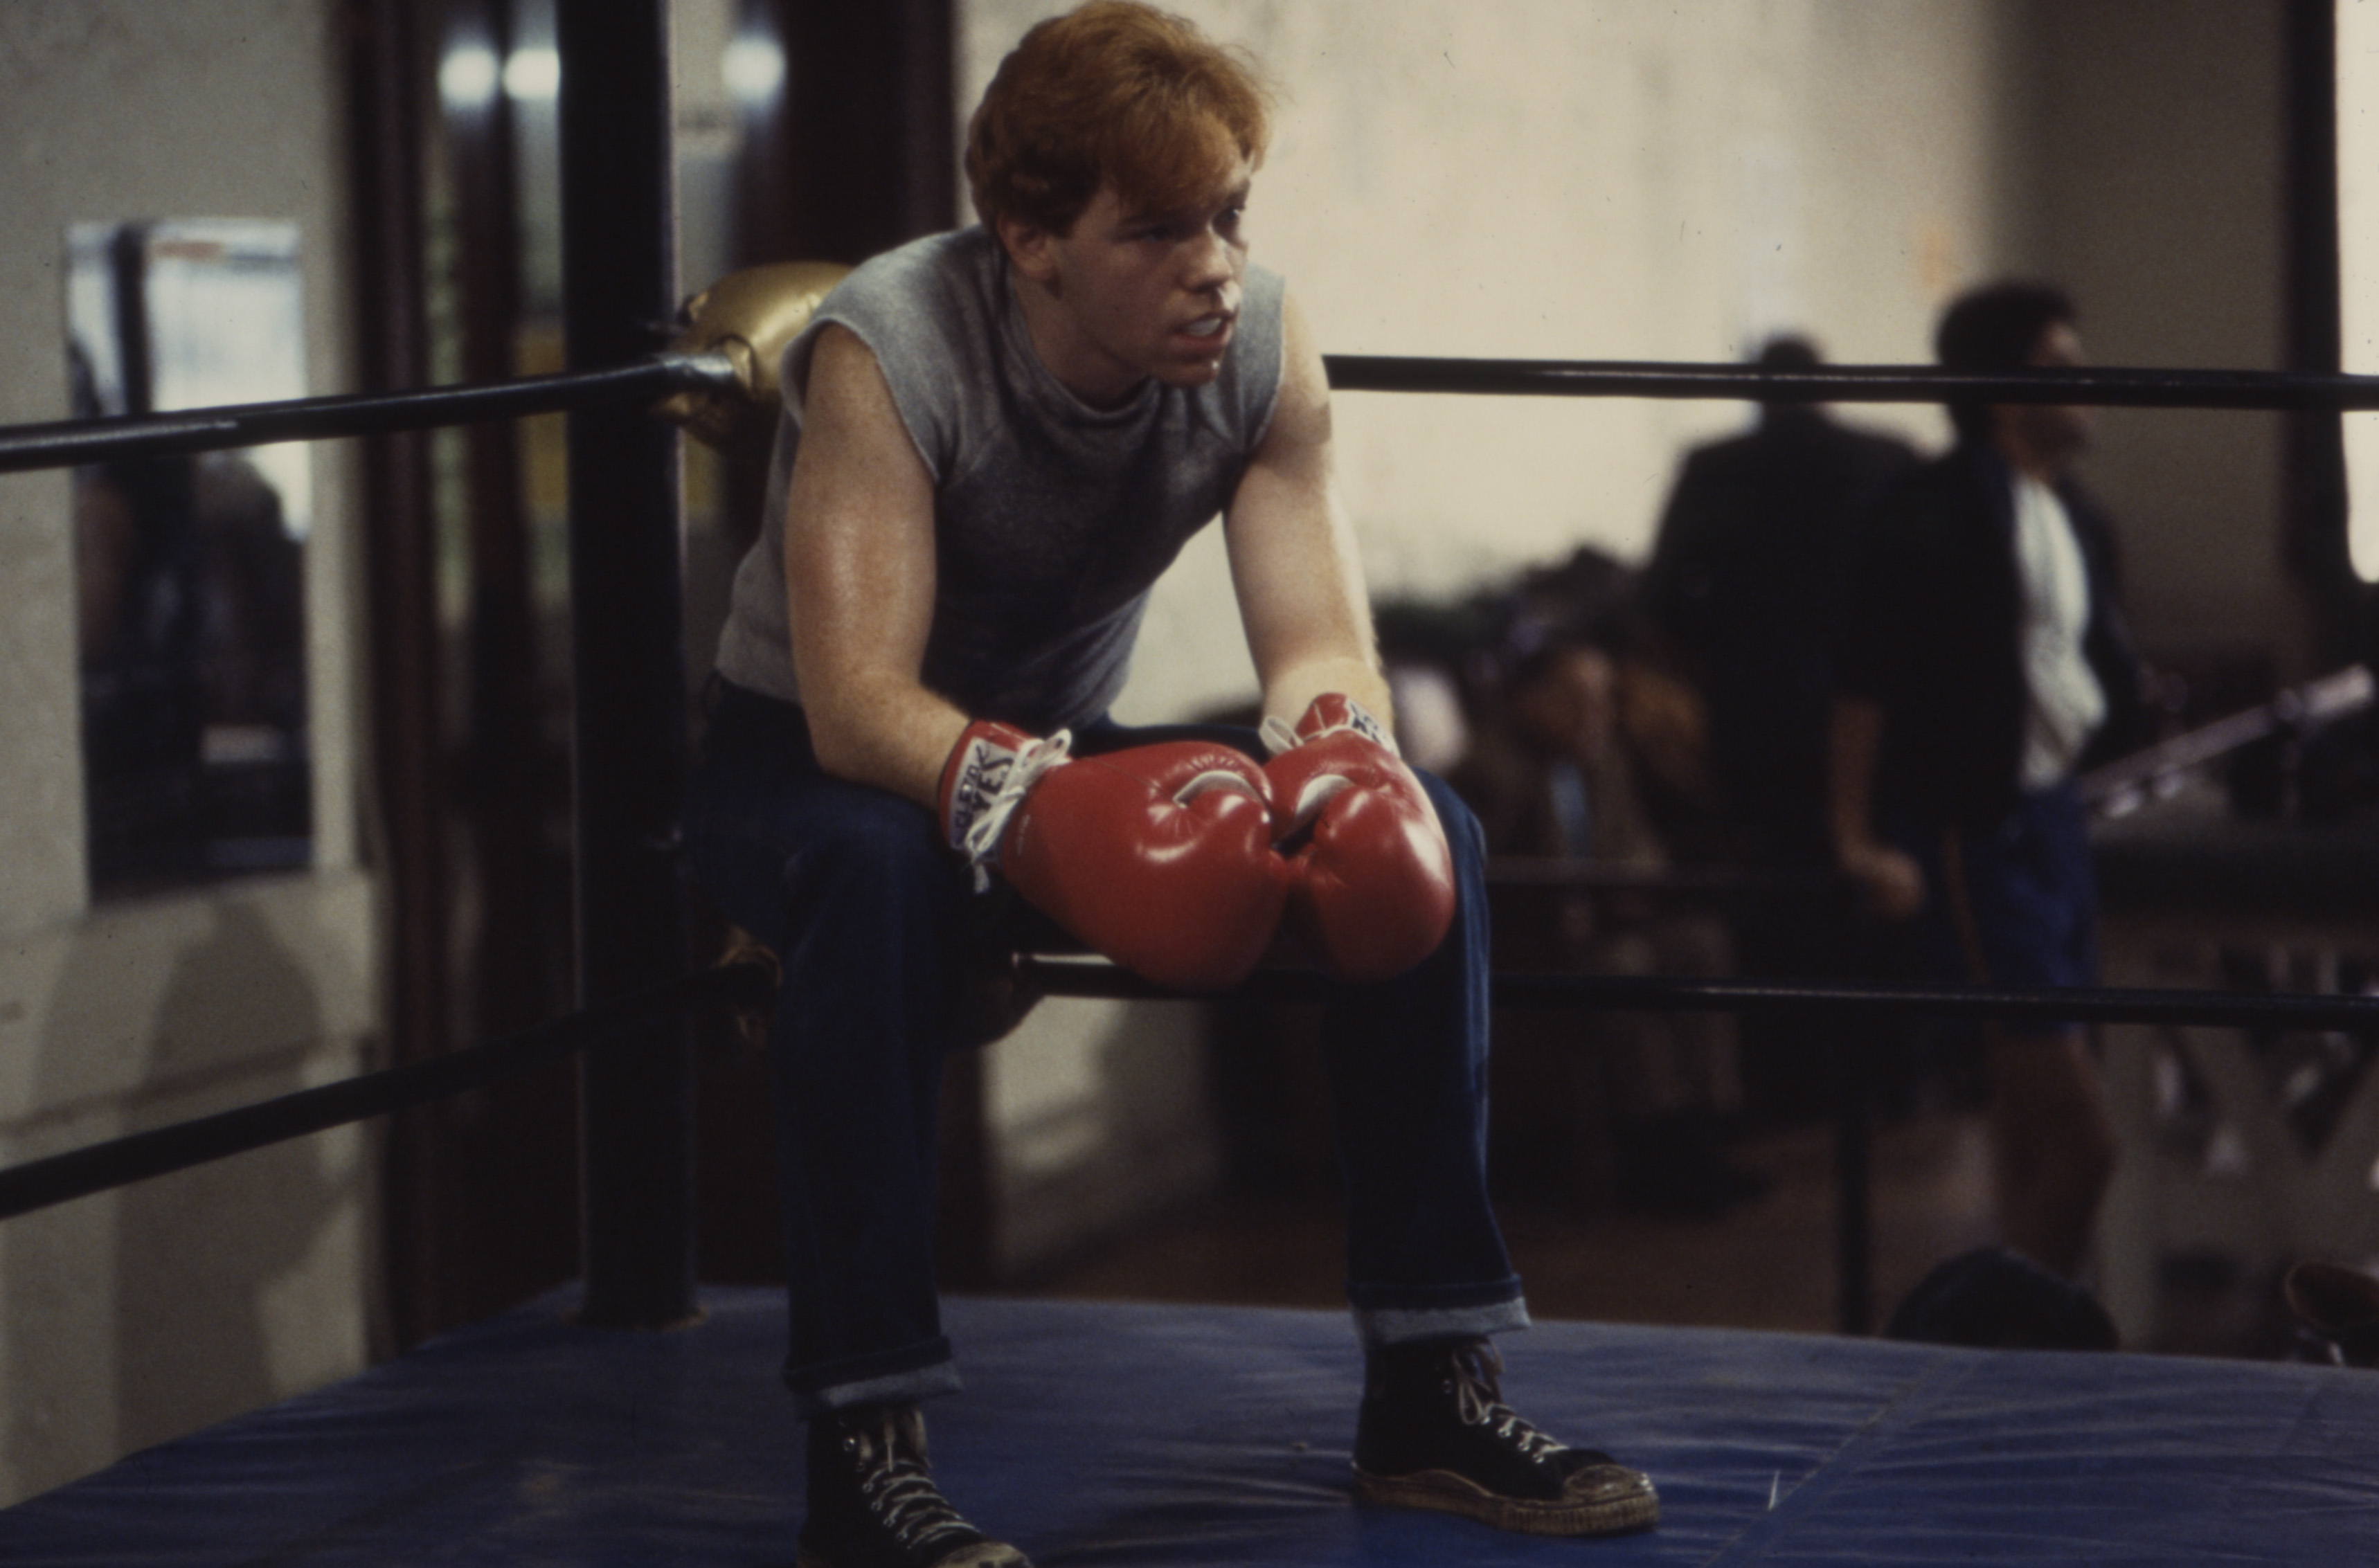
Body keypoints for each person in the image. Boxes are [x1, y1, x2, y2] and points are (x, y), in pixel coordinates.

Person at [680, 6, 1658, 1564]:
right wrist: (1034, 807)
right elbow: (862, 709)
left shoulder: (1258, 344)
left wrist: (1335, 750)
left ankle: (1427, 1381)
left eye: (1227, 215)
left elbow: (1318, 643)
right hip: (805, 765)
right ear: (1031, 240)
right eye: (1155, 229)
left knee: (1432, 834)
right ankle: (862, 1442)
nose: (1211, 262)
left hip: (1052, 743)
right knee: (870, 870)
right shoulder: (892, 348)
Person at [1829, 281, 2147, 1281]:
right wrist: (1854, 838)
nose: (2085, 385)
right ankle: (2021, 1341)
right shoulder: (1931, 513)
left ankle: (2012, 1353)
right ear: (2005, 392)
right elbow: (1862, 683)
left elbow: (2080, 670)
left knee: (2026, 1125)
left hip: (2057, 823)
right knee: (2088, 1142)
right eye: (2060, 368)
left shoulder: (2072, 514)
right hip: (1984, 830)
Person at [1640, 336, 1920, 1126]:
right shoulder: (1888, 459)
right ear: (1828, 389)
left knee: (1780, 893)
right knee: (1874, 880)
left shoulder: (1714, 467)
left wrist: (1723, 643)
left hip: (1758, 711)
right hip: (1877, 714)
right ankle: (1891, 1079)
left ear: (1755, 394)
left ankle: (1794, 1082)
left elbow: (1662, 599)